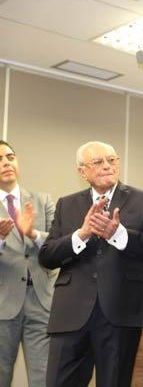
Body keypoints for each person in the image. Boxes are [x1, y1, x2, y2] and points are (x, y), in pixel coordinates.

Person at [39, 141, 143, 387]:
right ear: (82, 171)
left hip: (122, 310)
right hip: (70, 313)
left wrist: (118, 234)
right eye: (98, 162)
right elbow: (47, 256)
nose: (107, 166)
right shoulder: (67, 204)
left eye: (112, 160)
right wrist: (82, 234)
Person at [0, 140, 55, 387]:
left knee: (43, 378)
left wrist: (33, 233)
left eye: (10, 157)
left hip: (41, 301)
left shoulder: (43, 201)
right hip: (2, 303)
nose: (6, 163)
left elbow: (57, 246)